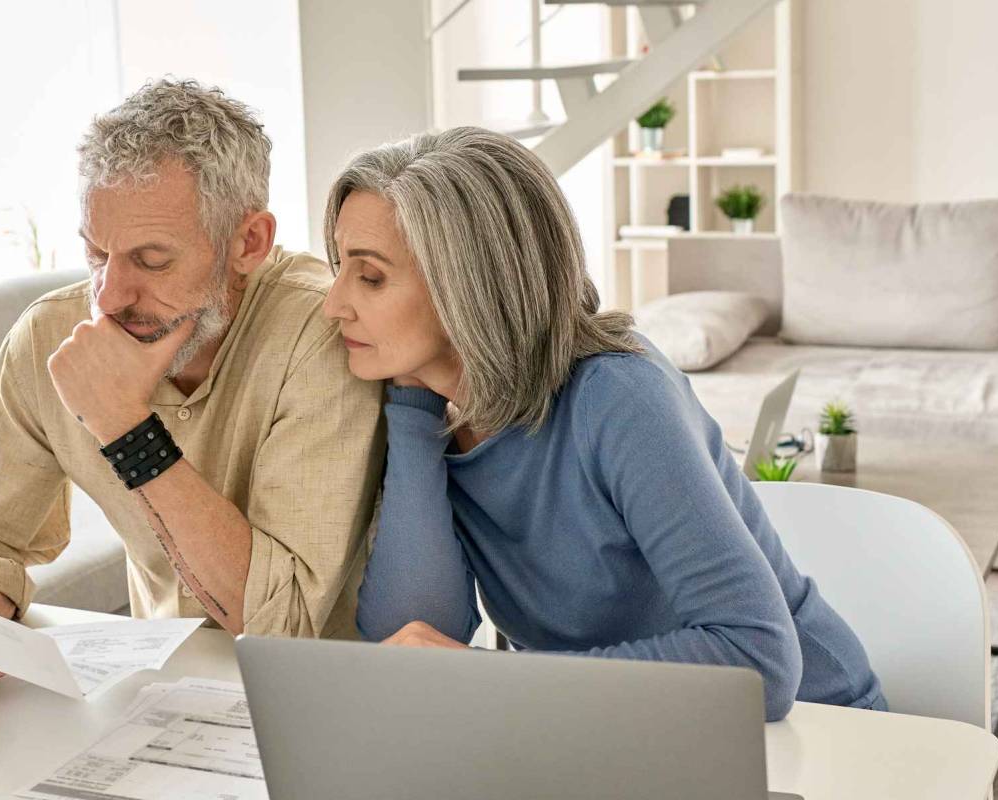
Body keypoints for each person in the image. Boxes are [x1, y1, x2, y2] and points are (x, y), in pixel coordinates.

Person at [328, 127, 885, 720]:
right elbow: (412, 639)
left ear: (469, 285)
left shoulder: (618, 396)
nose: (333, 302)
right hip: (613, 730)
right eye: (339, 267)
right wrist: (414, 413)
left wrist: (498, 677)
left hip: (813, 732)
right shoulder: (433, 404)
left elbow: (759, 660)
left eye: (369, 277)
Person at [0, 79, 384, 699]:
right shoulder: (49, 334)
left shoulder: (325, 334)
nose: (109, 296)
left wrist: (126, 429)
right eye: (97, 253)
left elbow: (279, 623)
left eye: (151, 261)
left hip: (323, 699)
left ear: (248, 243)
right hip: (157, 694)